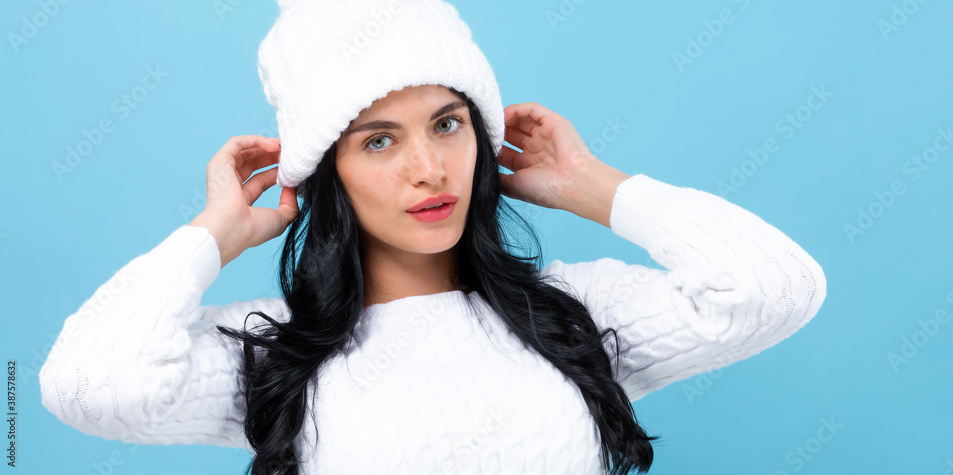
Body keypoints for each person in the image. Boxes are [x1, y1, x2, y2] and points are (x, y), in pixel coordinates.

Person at [38, 1, 828, 474]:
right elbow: (89, 386)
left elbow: (773, 290)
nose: (429, 168)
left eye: (449, 124)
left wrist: (593, 187)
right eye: (379, 140)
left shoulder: (573, 317)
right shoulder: (279, 354)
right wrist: (211, 234)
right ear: (326, 171)